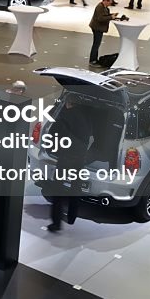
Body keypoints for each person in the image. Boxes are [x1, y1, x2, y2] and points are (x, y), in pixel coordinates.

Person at [47, 98, 90, 232]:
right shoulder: (87, 117)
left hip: (66, 156)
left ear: (68, 102)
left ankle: (56, 223)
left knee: (58, 189)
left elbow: (54, 132)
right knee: (75, 186)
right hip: (80, 156)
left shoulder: (65, 116)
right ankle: (72, 217)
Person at [89, 0, 118, 66]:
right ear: (106, 1)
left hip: (99, 28)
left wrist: (111, 15)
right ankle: (92, 60)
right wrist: (111, 17)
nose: (110, 4)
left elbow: (105, 15)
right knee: (96, 44)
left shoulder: (104, 8)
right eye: (109, 3)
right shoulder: (100, 7)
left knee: (97, 44)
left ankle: (94, 59)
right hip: (97, 28)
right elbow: (100, 18)